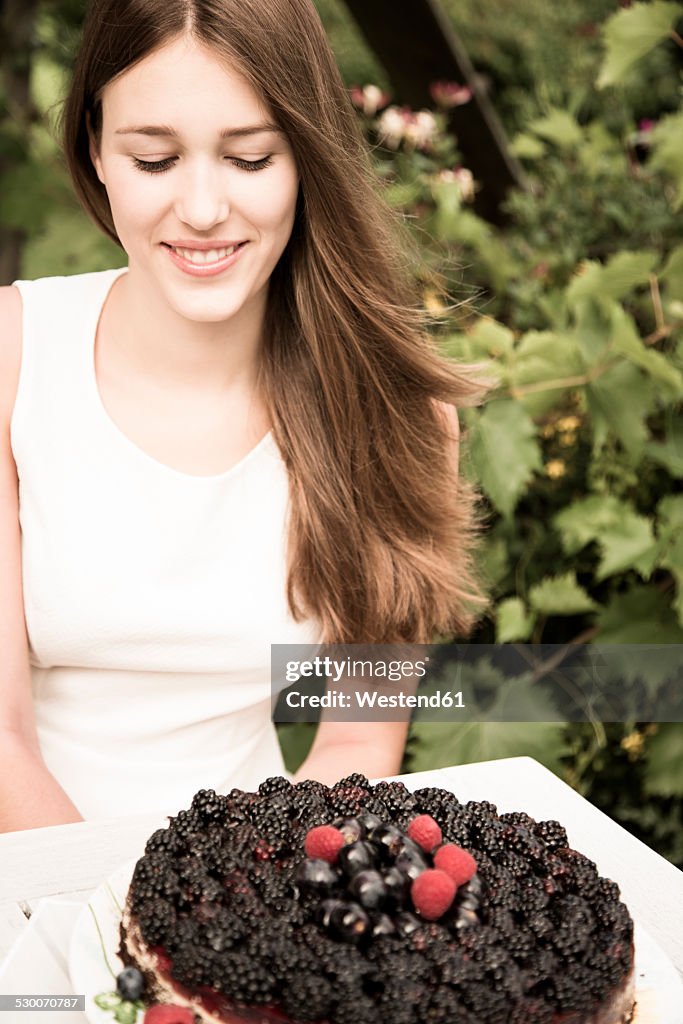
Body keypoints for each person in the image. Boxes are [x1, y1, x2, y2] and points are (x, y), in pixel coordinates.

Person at [0, 0, 487, 831]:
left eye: (250, 158)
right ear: (95, 151)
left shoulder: (397, 418)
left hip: (262, 889)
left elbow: (353, 750)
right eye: (154, 159)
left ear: (307, 157)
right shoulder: (14, 359)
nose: (200, 208)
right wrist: (104, 929)